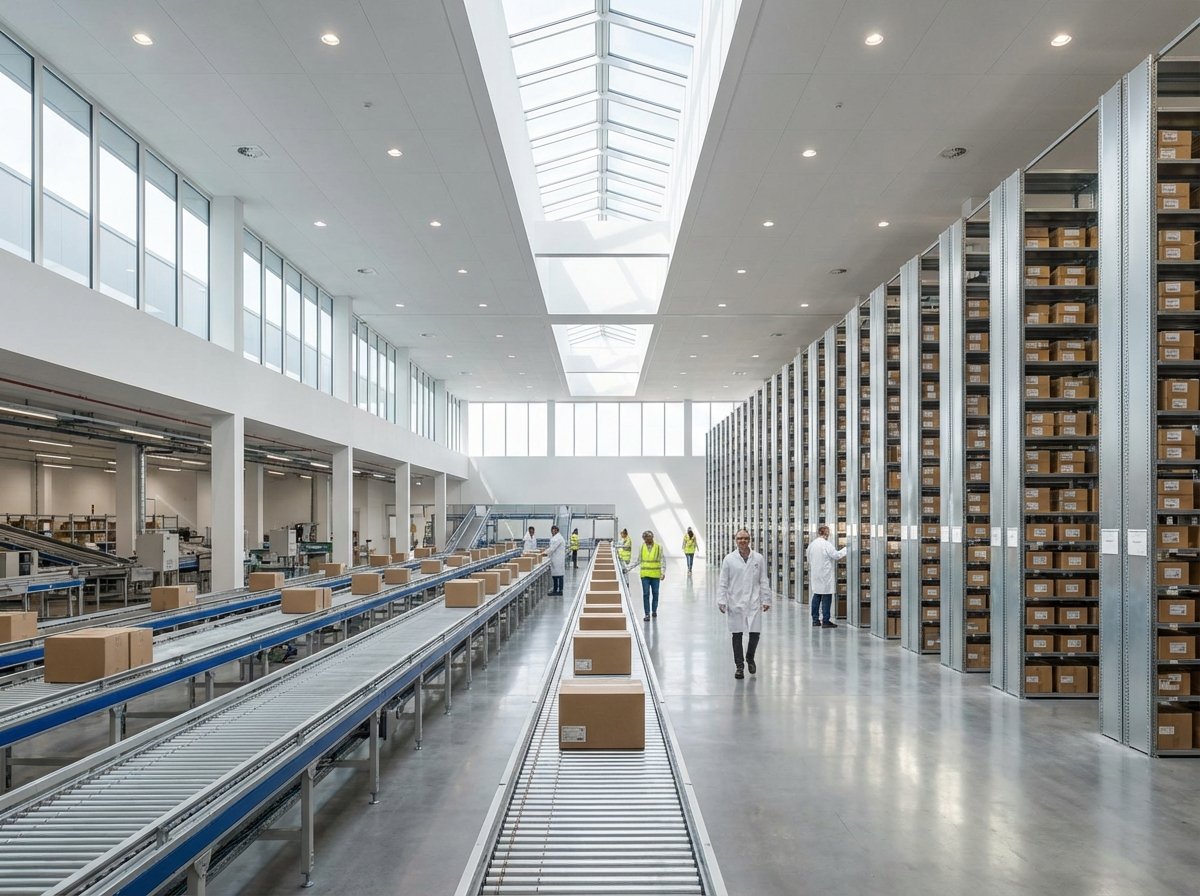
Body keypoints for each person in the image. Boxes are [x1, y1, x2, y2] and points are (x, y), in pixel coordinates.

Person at [717, 529, 771, 679]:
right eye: (740, 538)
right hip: (735, 601)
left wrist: (766, 599)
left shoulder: (758, 558)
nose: (743, 541)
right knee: (737, 634)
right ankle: (739, 666)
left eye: (745, 538)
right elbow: (723, 582)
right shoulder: (729, 559)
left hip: (754, 601)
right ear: (735, 540)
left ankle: (750, 657)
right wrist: (721, 600)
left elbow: (763, 579)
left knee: (755, 633)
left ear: (750, 540)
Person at [806, 524, 847, 628]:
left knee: (816, 595)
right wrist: (847, 549)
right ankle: (826, 621)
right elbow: (836, 555)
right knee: (827, 597)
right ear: (826, 533)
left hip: (815, 573)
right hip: (825, 575)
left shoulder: (812, 544)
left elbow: (808, 558)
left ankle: (815, 620)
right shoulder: (826, 544)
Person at [627, 530, 664, 621]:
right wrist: (628, 568)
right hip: (645, 575)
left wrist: (662, 572)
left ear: (652, 537)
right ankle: (647, 614)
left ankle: (654, 611)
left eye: (649, 537)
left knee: (655, 594)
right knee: (646, 594)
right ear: (644, 538)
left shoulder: (659, 547)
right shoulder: (642, 547)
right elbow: (639, 560)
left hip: (655, 575)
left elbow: (662, 560)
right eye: (646, 538)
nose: (648, 539)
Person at [547, 525, 566, 595]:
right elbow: (551, 548)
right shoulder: (556, 537)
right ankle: (555, 589)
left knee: (559, 575)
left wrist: (545, 552)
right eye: (552, 530)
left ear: (557, 530)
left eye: (554, 530)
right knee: (555, 575)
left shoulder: (558, 538)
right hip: (556, 559)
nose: (553, 531)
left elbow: (552, 548)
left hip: (558, 559)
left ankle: (559, 590)